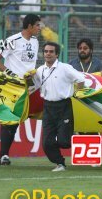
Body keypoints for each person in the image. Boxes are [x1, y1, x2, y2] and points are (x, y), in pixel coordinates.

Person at [26, 42, 86, 171]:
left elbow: (81, 79)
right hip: (47, 107)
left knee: (64, 142)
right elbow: (33, 86)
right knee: (47, 143)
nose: (48, 54)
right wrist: (28, 79)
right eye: (46, 51)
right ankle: (60, 163)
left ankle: (72, 135)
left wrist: (77, 93)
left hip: (63, 106)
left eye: (51, 51)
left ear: (57, 54)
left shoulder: (65, 68)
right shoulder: (40, 70)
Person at [0, 14, 41, 166]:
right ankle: (4, 155)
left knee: (16, 121)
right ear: (30, 26)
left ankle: (2, 155)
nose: (40, 28)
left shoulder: (35, 41)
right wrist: (10, 73)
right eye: (38, 25)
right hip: (12, 86)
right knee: (11, 120)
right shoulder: (13, 40)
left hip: (30, 87)